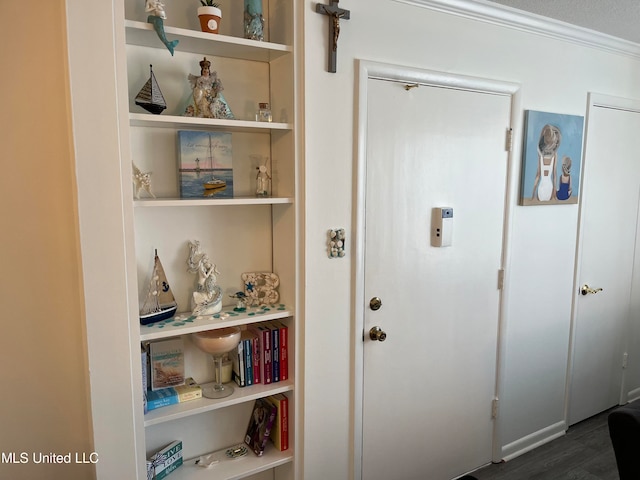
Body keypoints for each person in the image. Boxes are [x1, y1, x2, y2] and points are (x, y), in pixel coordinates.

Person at [531, 124, 561, 202]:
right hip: (549, 189)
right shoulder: (555, 155)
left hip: (541, 189)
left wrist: (533, 193)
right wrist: (554, 189)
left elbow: (538, 175)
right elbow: (554, 175)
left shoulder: (540, 155)